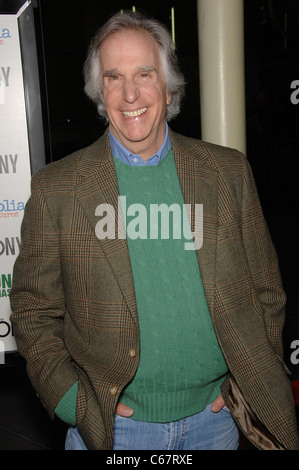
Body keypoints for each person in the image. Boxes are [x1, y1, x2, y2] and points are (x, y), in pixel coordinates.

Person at [10, 10, 299, 451]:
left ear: (167, 86)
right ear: (98, 90)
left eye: (145, 73)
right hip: (113, 432)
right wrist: (72, 401)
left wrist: (250, 378)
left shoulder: (226, 172)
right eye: (113, 77)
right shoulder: (59, 189)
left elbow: (267, 293)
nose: (130, 94)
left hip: (216, 422)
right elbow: (32, 312)